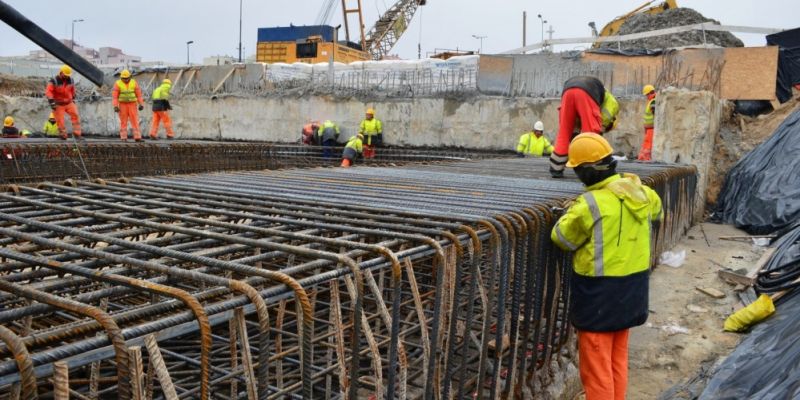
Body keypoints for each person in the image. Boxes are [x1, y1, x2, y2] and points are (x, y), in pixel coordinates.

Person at [550, 133, 662, 400]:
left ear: (586, 171)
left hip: (599, 297)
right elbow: (657, 212)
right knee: (616, 360)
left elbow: (562, 238)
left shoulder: (590, 204)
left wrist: (565, 216)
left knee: (597, 369)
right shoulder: (643, 193)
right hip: (631, 293)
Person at [550, 76, 619, 178]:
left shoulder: (602, 97)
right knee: (591, 135)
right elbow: (597, 128)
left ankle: (556, 168)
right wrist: (599, 131)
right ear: (611, 123)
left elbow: (576, 123)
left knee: (564, 133)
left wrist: (575, 134)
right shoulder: (612, 105)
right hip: (586, 92)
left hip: (568, 91)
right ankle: (592, 169)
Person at [45, 65, 82, 140]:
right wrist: (52, 102)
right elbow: (49, 92)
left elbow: (72, 90)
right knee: (60, 121)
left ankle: (77, 134)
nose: (67, 77)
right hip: (58, 104)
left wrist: (73, 97)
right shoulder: (54, 81)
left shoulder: (71, 80)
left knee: (75, 116)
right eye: (65, 75)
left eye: (68, 75)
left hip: (69, 102)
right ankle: (63, 135)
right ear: (61, 73)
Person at [112, 69, 145, 142]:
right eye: (124, 78)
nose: (126, 80)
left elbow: (139, 95)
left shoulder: (134, 83)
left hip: (132, 104)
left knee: (135, 121)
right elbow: (115, 97)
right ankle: (123, 137)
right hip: (122, 105)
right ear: (121, 78)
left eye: (127, 78)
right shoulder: (117, 83)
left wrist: (141, 104)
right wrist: (115, 106)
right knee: (123, 121)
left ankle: (137, 137)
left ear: (130, 77)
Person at [638, 85, 656, 161]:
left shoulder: (653, 101)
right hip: (649, 129)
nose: (646, 97)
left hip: (651, 129)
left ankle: (646, 160)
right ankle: (643, 159)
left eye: (646, 95)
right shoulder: (652, 101)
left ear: (649, 93)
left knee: (647, 148)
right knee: (646, 147)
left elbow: (655, 114)